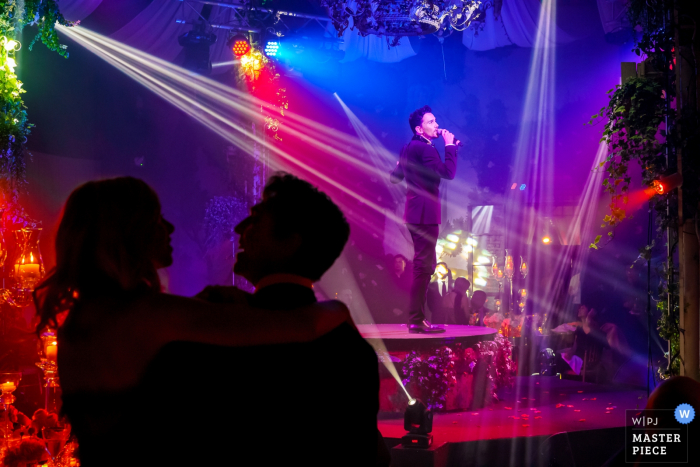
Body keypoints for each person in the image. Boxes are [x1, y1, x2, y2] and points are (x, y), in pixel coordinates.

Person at [34, 177, 365, 466]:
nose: (170, 227)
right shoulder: (153, 314)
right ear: (128, 233)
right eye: (155, 218)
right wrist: (339, 310)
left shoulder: (90, 315)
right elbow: (301, 327)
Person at [162, 173, 385, 466]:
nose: (241, 228)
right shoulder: (352, 348)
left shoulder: (221, 329)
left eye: (256, 219)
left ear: (290, 242)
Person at [390, 105, 458, 333]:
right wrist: (449, 146)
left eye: (435, 121)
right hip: (426, 213)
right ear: (420, 128)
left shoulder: (407, 148)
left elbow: (395, 178)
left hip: (414, 212)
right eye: (431, 122)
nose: (436, 125)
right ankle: (416, 319)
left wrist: (403, 162)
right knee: (423, 266)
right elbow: (448, 173)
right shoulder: (427, 149)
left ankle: (417, 318)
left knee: (426, 265)